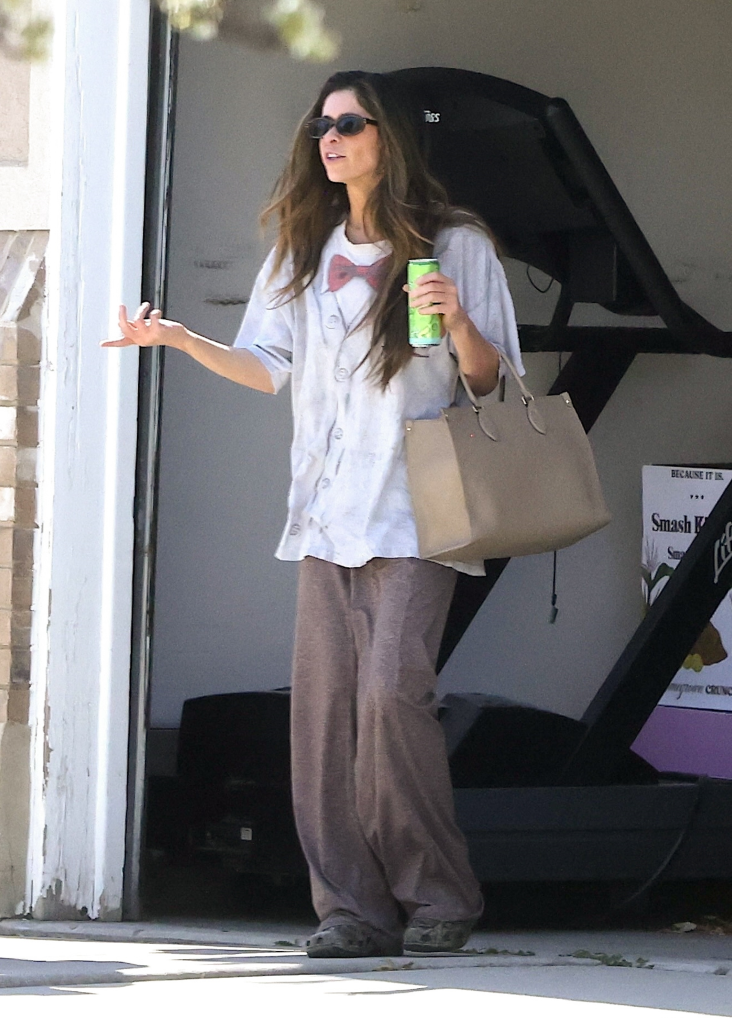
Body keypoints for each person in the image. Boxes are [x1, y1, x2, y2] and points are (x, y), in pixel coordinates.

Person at [104, 69, 524, 958]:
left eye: (350, 123)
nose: (329, 138)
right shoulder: (305, 246)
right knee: (323, 717)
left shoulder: (457, 246)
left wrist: (456, 325)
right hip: (326, 514)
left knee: (389, 699)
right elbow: (266, 366)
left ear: (390, 138)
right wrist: (178, 339)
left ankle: (440, 895)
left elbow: (494, 383)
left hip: (418, 513)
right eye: (320, 126)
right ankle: (351, 911)